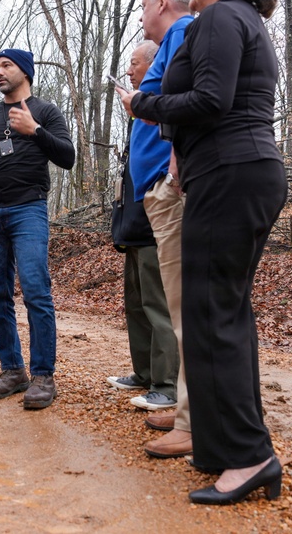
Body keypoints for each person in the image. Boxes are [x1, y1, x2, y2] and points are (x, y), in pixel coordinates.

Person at [117, 0, 286, 505]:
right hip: (242, 171)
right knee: (220, 313)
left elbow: (212, 102)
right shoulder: (242, 20)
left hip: (231, 173)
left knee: (214, 317)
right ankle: (221, 448)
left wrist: (144, 104)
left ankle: (248, 455)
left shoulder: (219, 20)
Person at [0, 49, 76, 410]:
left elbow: (68, 157)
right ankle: (12, 370)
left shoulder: (45, 111)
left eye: (6, 66)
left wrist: (34, 130)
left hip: (29, 209)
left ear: (25, 71)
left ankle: (42, 375)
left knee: (36, 290)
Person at [122, 0, 197, 460]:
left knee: (186, 307)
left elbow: (178, 106)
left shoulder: (186, 34)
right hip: (162, 186)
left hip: (181, 187)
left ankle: (190, 410)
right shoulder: (180, 40)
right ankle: (189, 409)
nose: (142, 18)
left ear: (162, 1)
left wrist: (141, 103)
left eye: (144, 7)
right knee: (176, 304)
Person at [107, 40, 179, 419]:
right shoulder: (140, 109)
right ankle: (145, 372)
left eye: (135, 64)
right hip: (133, 220)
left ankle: (166, 386)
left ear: (153, 64)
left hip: (156, 218)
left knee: (158, 304)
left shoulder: (162, 99)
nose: (131, 71)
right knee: (135, 304)